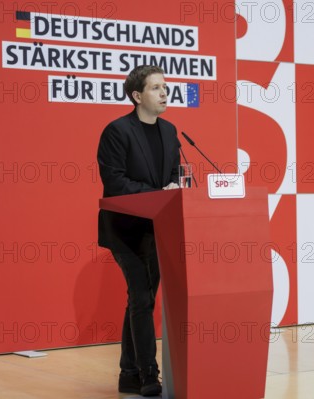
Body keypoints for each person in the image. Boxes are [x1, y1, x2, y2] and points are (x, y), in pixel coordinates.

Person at [97, 65, 181, 396]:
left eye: (165, 87)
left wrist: (176, 188)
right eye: (156, 88)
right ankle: (148, 373)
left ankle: (128, 373)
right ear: (137, 96)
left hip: (158, 227)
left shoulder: (171, 131)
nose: (164, 93)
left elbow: (174, 173)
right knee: (143, 297)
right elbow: (114, 182)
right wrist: (158, 193)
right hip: (125, 230)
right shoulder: (117, 131)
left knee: (139, 299)